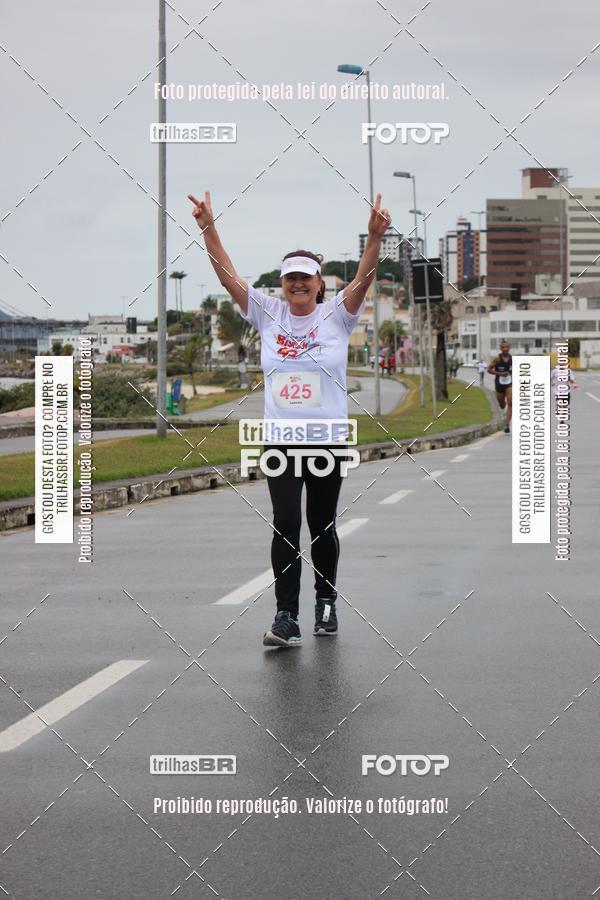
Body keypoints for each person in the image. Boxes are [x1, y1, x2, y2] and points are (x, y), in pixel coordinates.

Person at [188, 190, 391, 648]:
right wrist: (208, 229)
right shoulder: (268, 313)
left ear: (319, 283)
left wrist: (376, 238)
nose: (297, 284)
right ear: (282, 284)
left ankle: (325, 602)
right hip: (280, 440)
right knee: (284, 524)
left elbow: (364, 277)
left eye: (305, 278)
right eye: (290, 279)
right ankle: (285, 616)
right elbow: (227, 276)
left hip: (326, 441)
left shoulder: (338, 315)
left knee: (321, 524)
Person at [488, 339, 513, 433]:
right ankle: (503, 406)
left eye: (507, 347)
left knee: (511, 401)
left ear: (509, 348)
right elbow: (489, 370)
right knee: (502, 405)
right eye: (503, 347)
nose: (505, 349)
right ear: (500, 348)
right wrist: (499, 373)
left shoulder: (512, 359)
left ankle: (507, 424)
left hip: (509, 383)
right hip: (499, 383)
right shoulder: (497, 359)